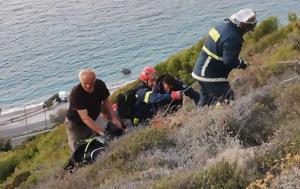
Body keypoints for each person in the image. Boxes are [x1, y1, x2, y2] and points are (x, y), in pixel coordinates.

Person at [192, 8, 257, 106]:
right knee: (228, 98)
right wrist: (242, 64)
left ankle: (199, 119)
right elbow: (229, 61)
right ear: (244, 26)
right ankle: (223, 120)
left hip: (200, 71)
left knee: (206, 101)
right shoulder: (234, 37)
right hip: (210, 74)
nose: (248, 30)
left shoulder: (222, 26)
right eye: (249, 27)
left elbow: (220, 51)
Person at [65, 69, 122, 152]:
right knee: (77, 148)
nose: (88, 86)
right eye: (85, 83)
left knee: (98, 141)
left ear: (95, 80)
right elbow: (85, 118)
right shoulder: (76, 93)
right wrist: (100, 131)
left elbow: (106, 100)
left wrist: (114, 118)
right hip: (75, 123)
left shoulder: (100, 85)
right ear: (80, 81)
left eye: (91, 83)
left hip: (94, 117)